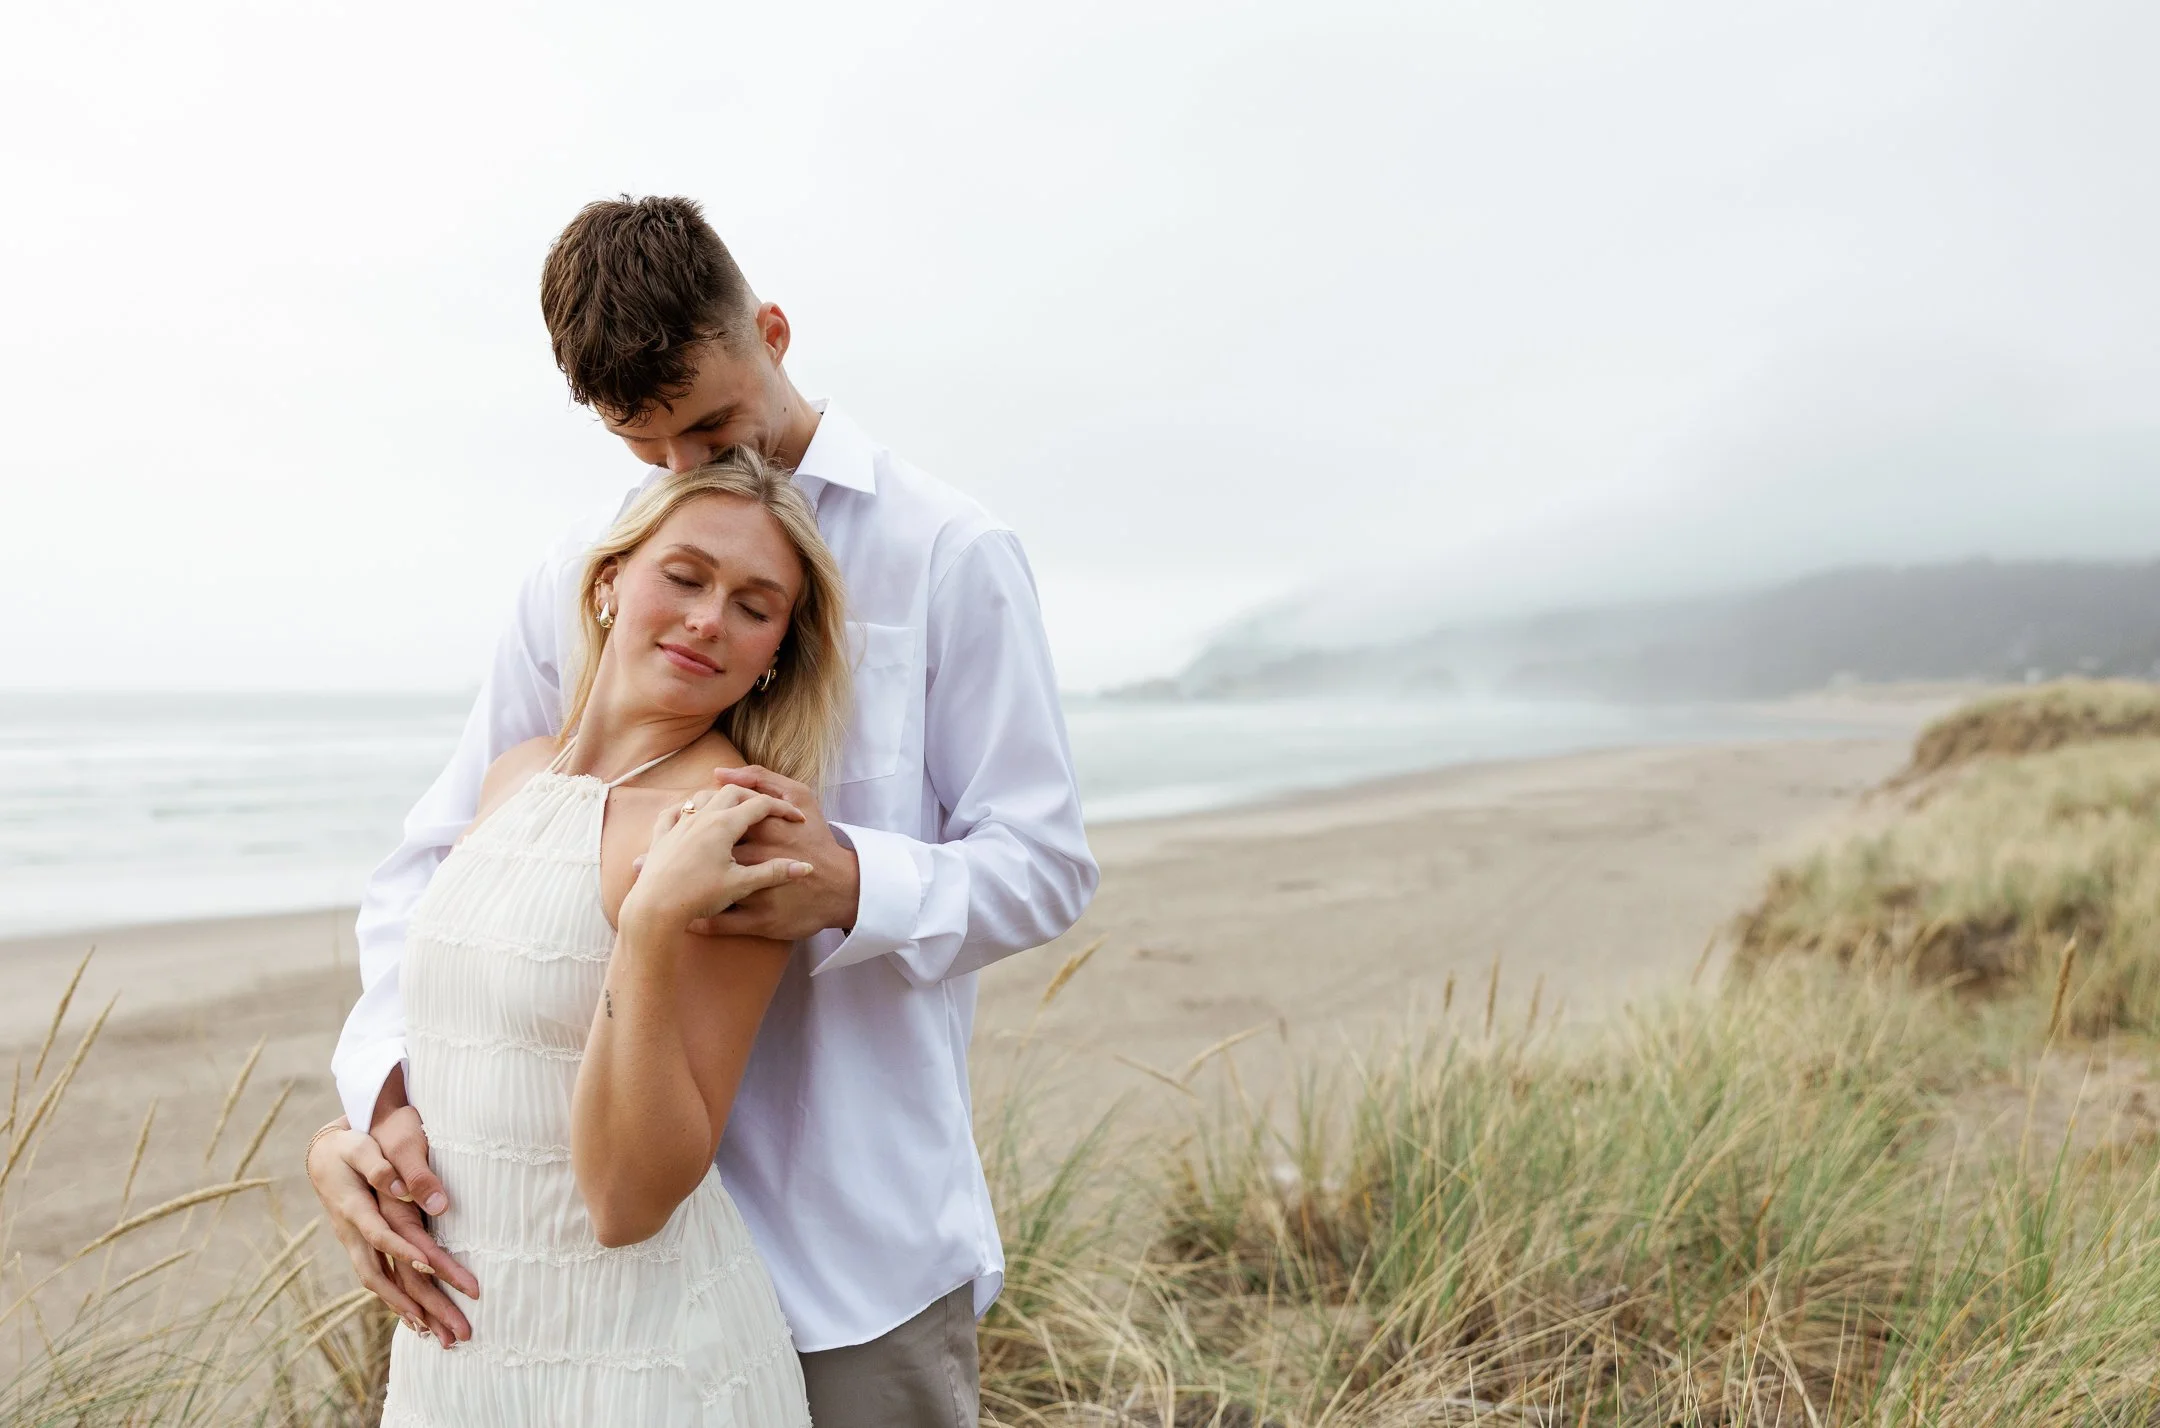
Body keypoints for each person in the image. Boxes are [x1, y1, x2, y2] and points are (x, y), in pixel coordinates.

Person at [307, 195, 1097, 1427]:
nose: (692, 470)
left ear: (772, 333)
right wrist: (380, 1101)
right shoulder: (588, 571)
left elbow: (1044, 861)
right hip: (571, 1273)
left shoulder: (949, 551)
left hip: (847, 1251)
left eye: (715, 426)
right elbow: (444, 863)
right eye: (649, 450)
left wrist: (855, 883)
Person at [379, 452, 836, 1424]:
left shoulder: (731, 829)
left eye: (754, 607)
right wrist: (357, 1136)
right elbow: (461, 1045)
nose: (709, 619)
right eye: (685, 577)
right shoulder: (515, 776)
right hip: (462, 1353)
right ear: (607, 583)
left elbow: (631, 1203)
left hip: (638, 1361)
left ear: (774, 655)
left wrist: (652, 924)